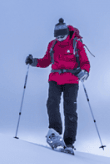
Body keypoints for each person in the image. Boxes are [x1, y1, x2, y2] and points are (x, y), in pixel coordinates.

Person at [25, 18, 90, 154]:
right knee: (52, 103)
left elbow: (85, 62)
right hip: (55, 78)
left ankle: (69, 142)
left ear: (67, 33)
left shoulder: (76, 44)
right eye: (57, 36)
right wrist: (33, 61)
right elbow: (46, 61)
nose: (60, 39)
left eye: (62, 36)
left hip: (71, 80)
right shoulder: (52, 45)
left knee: (70, 110)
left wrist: (84, 72)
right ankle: (55, 132)